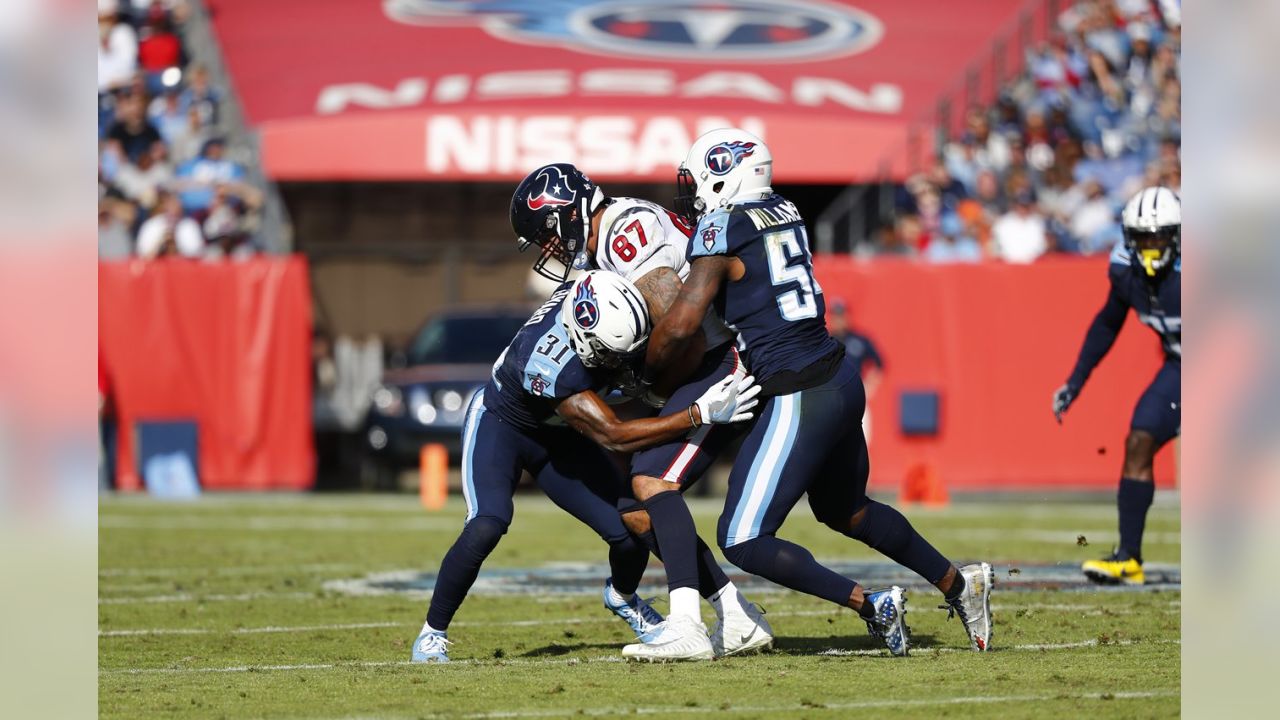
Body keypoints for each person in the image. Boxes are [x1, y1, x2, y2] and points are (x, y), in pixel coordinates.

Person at [640, 128, 994, 657]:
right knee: (848, 511)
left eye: (699, 182)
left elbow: (683, 323)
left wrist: (647, 370)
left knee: (741, 537)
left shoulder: (721, 226)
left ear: (725, 176)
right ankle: (960, 585)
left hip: (799, 389)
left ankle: (872, 604)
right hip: (838, 375)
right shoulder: (785, 209)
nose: (693, 196)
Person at [411, 272, 760, 663]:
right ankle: (432, 632)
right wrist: (695, 414)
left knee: (630, 528)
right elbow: (614, 435)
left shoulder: (599, 301)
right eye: (613, 354)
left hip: (559, 436)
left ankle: (623, 598)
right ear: (585, 342)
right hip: (503, 425)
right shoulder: (546, 364)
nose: (623, 361)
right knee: (487, 523)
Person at [510, 164, 773, 660]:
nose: (550, 248)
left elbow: (683, 331)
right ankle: (735, 612)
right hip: (710, 361)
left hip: (718, 359)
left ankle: (691, 624)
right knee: (638, 506)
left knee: (649, 484)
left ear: (570, 211)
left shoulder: (622, 233)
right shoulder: (610, 234)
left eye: (547, 233)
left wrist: (650, 386)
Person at [1053, 186, 1180, 585]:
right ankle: (1129, 558)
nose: (1150, 246)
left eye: (1158, 237)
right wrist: (1075, 382)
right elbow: (1107, 324)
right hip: (1183, 366)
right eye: (1143, 238)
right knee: (1139, 439)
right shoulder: (1125, 271)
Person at [828, 300, 884, 443]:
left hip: (857, 396)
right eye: (836, 316)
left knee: (863, 441)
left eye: (841, 315)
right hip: (833, 398)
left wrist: (869, 386)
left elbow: (879, 364)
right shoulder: (827, 341)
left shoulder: (859, 340)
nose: (839, 320)